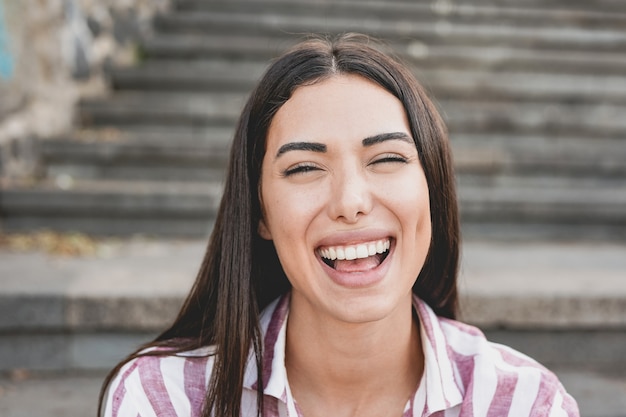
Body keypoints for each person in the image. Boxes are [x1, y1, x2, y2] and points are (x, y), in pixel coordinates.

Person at [99, 33, 579, 417]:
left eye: (387, 158)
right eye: (305, 168)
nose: (350, 202)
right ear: (260, 211)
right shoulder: (166, 400)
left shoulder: (525, 403)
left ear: (431, 190)